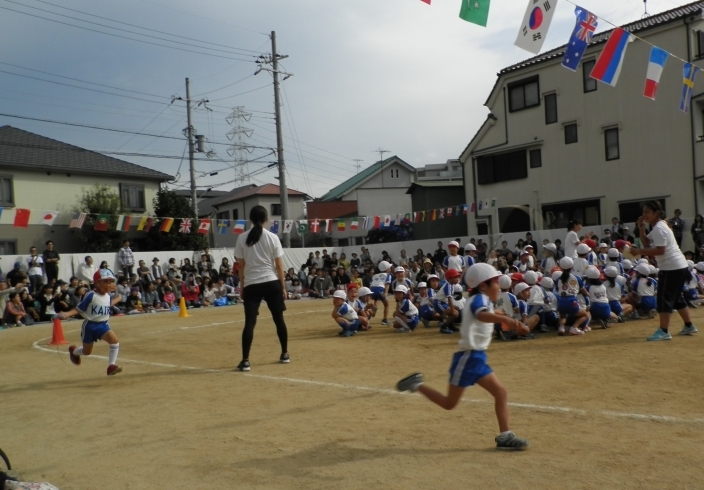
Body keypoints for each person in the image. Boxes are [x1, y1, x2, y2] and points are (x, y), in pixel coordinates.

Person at [395, 263, 529, 450]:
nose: (499, 286)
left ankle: (505, 436)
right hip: (467, 359)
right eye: (496, 282)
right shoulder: (479, 300)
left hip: (477, 358)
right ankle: (416, 385)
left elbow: (483, 313)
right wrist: (508, 320)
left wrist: (499, 314)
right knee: (449, 403)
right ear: (483, 285)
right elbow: (481, 315)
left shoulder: (481, 300)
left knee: (500, 392)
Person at [629, 201, 698, 340]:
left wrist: (638, 251)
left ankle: (664, 330)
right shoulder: (658, 227)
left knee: (664, 298)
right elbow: (647, 243)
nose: (645, 215)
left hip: (671, 267)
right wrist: (641, 228)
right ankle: (689, 325)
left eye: (648, 212)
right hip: (678, 266)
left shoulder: (659, 228)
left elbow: (660, 250)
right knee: (676, 298)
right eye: (644, 212)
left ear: (657, 213)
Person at [234, 205, 290, 371]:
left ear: (250, 219)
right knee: (278, 319)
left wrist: (242, 286)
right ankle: (285, 353)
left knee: (250, 323)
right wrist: (283, 287)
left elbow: (241, 266)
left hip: (252, 283)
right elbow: (279, 265)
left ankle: (245, 360)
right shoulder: (273, 237)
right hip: (271, 281)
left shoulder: (242, 238)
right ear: (267, 220)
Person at [61, 269, 123, 376]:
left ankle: (111, 366)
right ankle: (74, 351)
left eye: (110, 282)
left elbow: (108, 304)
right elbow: (79, 309)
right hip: (90, 326)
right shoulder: (91, 295)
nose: (109, 285)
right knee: (87, 352)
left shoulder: (108, 296)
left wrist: (118, 298)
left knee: (114, 341)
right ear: (97, 283)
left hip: (103, 325)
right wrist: (67, 314)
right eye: (105, 282)